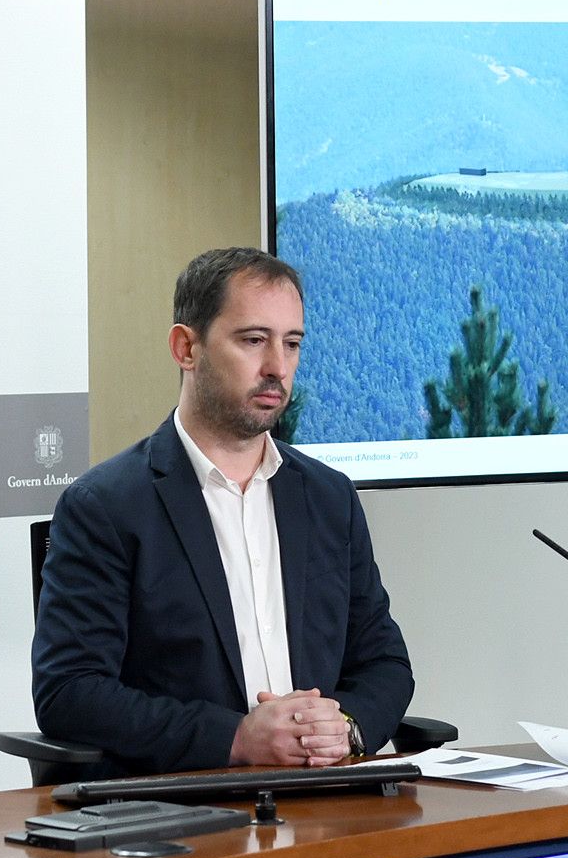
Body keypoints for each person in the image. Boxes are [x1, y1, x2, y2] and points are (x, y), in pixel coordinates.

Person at [31, 247, 413, 777]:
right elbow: (69, 692)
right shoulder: (107, 506)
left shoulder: (329, 498)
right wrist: (235, 738)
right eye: (254, 340)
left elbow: (385, 664)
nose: (278, 367)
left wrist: (345, 727)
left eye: (292, 343)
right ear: (186, 348)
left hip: (325, 795)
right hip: (187, 803)